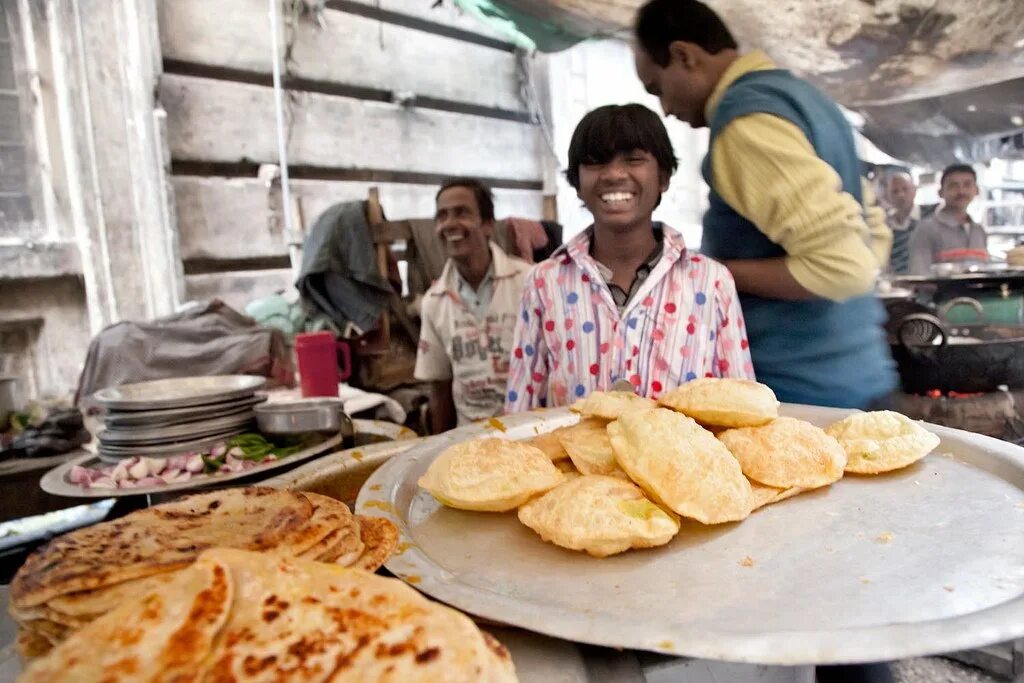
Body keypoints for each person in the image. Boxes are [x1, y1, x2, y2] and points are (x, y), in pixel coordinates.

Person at [632, 0, 896, 411]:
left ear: (684, 56)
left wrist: (711, 271)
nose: (664, 108)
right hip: (863, 371)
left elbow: (845, 267)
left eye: (657, 88)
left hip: (803, 397)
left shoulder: (745, 123)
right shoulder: (807, 100)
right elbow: (871, 230)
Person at [505, 103, 753, 411]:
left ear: (663, 177)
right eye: (596, 163)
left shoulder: (710, 281)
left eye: (634, 160)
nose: (614, 174)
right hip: (573, 459)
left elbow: (742, 407)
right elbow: (520, 407)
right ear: (577, 183)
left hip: (678, 460)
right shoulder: (544, 282)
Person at [414, 178, 530, 433]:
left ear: (487, 224)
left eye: (461, 212)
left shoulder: (529, 282)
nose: (449, 224)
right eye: (442, 216)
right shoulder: (434, 301)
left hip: (529, 433)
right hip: (469, 439)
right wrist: (438, 451)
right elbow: (439, 388)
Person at [908, 164, 988, 275]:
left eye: (967, 185)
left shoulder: (979, 231)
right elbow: (920, 277)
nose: (961, 191)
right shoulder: (926, 230)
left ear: (977, 190)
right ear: (940, 193)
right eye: (953, 186)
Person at [884, 171, 920, 275]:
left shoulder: (931, 215)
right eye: (895, 191)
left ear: (914, 191)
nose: (901, 195)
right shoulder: (884, 224)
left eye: (905, 189)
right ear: (888, 196)